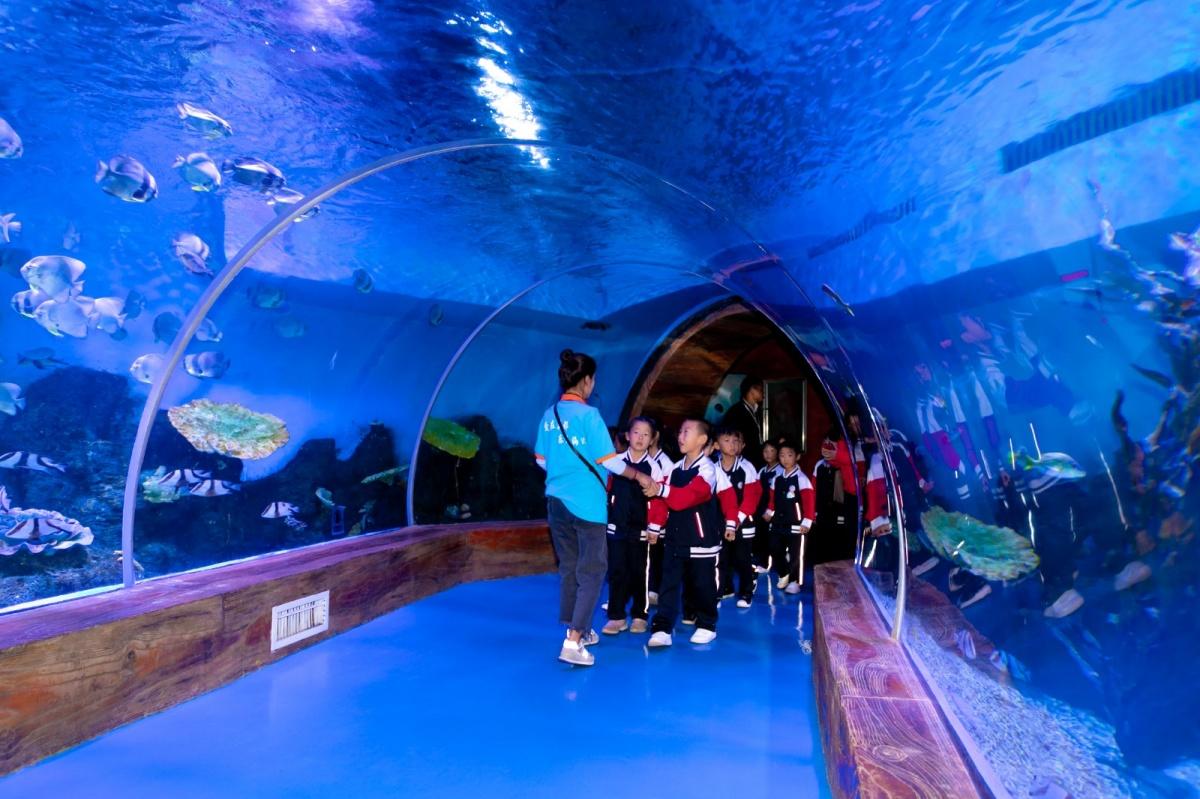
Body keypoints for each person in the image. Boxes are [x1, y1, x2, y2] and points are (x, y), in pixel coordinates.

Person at [535, 350, 649, 667]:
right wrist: (639, 476)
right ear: (587, 380)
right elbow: (611, 462)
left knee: (570, 567)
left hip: (556, 502)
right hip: (587, 505)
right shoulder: (590, 416)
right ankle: (573, 642)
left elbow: (541, 460)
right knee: (593, 570)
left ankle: (578, 629)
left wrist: (564, 475)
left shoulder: (549, 415)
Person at [643, 419, 739, 647]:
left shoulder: (709, 470)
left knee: (703, 586)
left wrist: (731, 523)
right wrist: (655, 526)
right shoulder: (674, 469)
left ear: (702, 440)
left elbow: (688, 496)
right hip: (674, 541)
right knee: (668, 585)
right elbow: (661, 502)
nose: (681, 436)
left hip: (702, 543)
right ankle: (662, 628)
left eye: (687, 432)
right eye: (680, 431)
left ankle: (706, 625)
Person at [602, 417, 663, 635]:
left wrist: (654, 527)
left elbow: (659, 501)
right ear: (627, 436)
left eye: (646, 434)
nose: (640, 438)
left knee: (640, 573)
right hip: (616, 528)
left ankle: (640, 615)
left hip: (641, 531)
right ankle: (616, 617)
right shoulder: (615, 463)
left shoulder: (654, 467)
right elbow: (605, 490)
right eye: (636, 432)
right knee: (617, 571)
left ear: (652, 440)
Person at [714, 428, 762, 607]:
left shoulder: (746, 468)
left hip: (743, 521)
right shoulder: (712, 468)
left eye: (735, 441)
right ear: (716, 445)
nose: (732, 445)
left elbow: (751, 499)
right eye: (727, 441)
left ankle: (746, 592)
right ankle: (722, 590)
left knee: (742, 558)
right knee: (721, 558)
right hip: (720, 522)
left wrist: (736, 520)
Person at [763, 440, 815, 593]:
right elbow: (772, 499)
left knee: (796, 554)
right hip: (778, 522)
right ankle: (784, 572)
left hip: (797, 523)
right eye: (782, 455)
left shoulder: (802, 479)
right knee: (774, 547)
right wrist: (769, 512)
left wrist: (807, 521)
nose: (785, 459)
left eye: (789, 455)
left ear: (797, 457)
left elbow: (809, 501)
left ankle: (795, 582)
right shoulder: (777, 478)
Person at [719, 375, 764, 467]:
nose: (763, 394)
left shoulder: (757, 411)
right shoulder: (735, 411)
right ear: (752, 390)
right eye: (761, 390)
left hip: (756, 460)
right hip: (741, 462)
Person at [754, 440, 783, 573]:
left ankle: (771, 564)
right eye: (765, 451)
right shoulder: (761, 471)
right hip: (761, 509)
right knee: (762, 537)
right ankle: (763, 562)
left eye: (772, 451)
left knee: (774, 539)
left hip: (775, 509)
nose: (768, 454)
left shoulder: (781, 470)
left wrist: (771, 511)